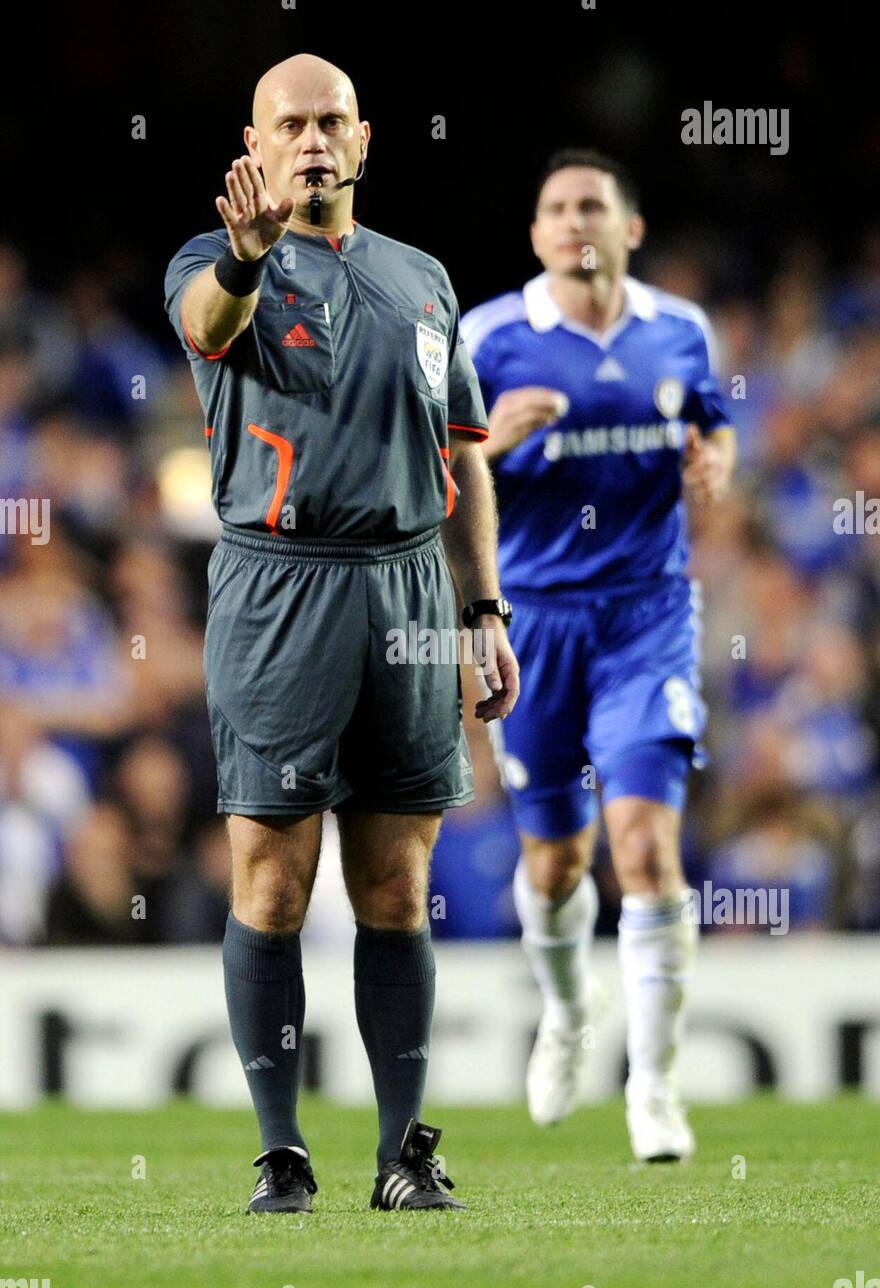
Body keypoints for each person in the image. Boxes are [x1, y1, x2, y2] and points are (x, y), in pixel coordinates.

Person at [164, 53, 519, 1212]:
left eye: (330, 123)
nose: (311, 141)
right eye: (289, 125)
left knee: (396, 885)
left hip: (410, 583)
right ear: (254, 146)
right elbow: (207, 323)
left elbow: (461, 445)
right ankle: (280, 1150)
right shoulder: (216, 266)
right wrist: (246, 255)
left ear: (363, 139)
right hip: (281, 586)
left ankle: (402, 1151)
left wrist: (484, 607)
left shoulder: (423, 278)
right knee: (270, 881)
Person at [461, 149, 736, 1161]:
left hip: (645, 615)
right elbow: (429, 484)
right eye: (557, 208)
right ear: (535, 235)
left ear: (631, 227)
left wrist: (717, 461)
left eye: (594, 206)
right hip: (533, 624)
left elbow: (713, 425)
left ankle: (655, 1088)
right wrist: (487, 449)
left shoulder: (680, 330)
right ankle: (567, 1013)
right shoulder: (488, 339)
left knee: (646, 847)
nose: (575, 221)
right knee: (555, 859)